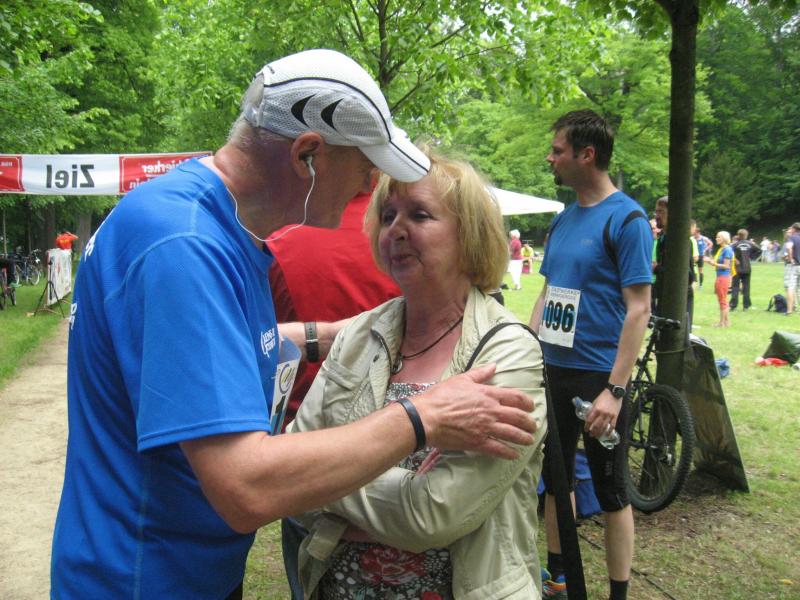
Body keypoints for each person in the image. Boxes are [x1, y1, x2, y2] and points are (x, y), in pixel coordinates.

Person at [50, 49, 538, 600]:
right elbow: (247, 489)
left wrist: (331, 336)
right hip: (147, 577)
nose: (370, 182)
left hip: (172, 566)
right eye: (365, 165)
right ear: (308, 155)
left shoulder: (207, 226)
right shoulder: (186, 245)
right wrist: (422, 416)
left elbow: (202, 353)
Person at [289, 146, 547, 599]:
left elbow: (431, 516)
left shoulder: (508, 351)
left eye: (420, 215)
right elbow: (289, 476)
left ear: (469, 234)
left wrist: (324, 473)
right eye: (388, 215)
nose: (396, 230)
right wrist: (396, 490)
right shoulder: (358, 335)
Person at [528, 109, 651, 600]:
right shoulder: (563, 219)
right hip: (553, 371)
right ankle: (557, 577)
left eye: (557, 150)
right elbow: (547, 294)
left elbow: (639, 309)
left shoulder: (628, 219)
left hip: (600, 377)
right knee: (556, 480)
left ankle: (618, 593)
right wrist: (525, 349)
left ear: (587, 154)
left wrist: (614, 391)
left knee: (610, 488)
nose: (550, 158)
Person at [652, 196, 696, 329]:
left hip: (677, 302)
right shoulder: (662, 238)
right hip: (663, 296)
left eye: (661, 212)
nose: (657, 216)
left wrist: (656, 268)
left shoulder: (679, 240)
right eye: (656, 212)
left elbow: (686, 276)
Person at [704, 231, 734, 327]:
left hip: (723, 277)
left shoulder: (727, 250)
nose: (716, 239)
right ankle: (726, 322)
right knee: (723, 299)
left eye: (719, 237)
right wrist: (710, 261)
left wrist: (713, 263)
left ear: (724, 239)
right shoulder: (722, 249)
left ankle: (721, 323)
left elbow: (726, 266)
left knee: (722, 300)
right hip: (720, 276)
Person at [730, 228, 761, 311]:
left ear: (738, 235)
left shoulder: (734, 245)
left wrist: (734, 259)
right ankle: (746, 306)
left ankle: (733, 305)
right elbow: (759, 250)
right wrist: (751, 257)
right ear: (746, 235)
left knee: (735, 287)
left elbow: (728, 252)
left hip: (737, 268)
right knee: (746, 287)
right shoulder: (751, 244)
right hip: (747, 268)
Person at [785, 222, 800, 315]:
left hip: (794, 265)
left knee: (790, 287)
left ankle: (789, 310)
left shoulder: (792, 238)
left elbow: (789, 248)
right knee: (799, 288)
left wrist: (791, 259)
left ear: (794, 229)